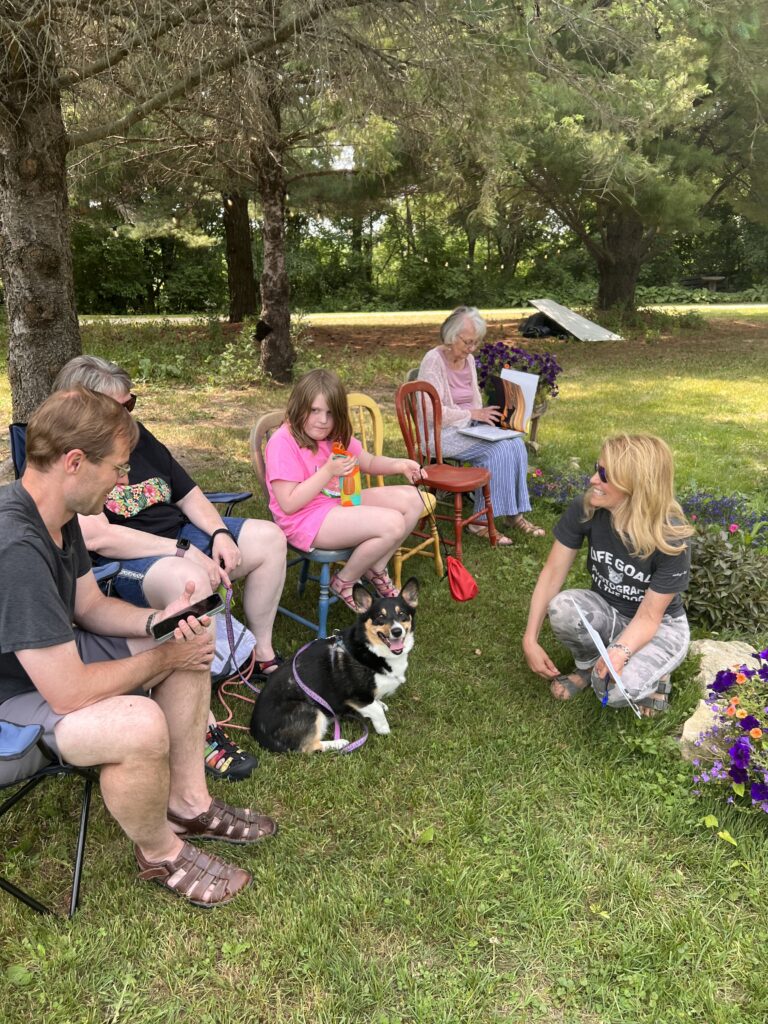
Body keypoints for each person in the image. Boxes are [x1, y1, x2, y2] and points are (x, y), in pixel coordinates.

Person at [0, 388, 276, 907]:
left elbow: (89, 606)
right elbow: (66, 691)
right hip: (10, 705)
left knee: (188, 636)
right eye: (119, 469)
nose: (126, 482)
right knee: (139, 724)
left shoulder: (58, 513)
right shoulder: (15, 545)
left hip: (47, 664)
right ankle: (160, 852)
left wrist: (161, 622)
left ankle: (189, 803)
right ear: (75, 462)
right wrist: (161, 657)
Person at [52, 355, 288, 782]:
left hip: (181, 537)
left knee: (270, 539)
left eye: (132, 404)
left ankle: (263, 657)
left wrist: (217, 533)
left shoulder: (139, 439)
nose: (129, 416)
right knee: (191, 584)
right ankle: (200, 726)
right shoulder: (78, 461)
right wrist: (182, 551)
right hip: (129, 559)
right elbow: (99, 537)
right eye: (118, 408)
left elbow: (188, 493)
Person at [522, 434, 693, 716]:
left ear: (636, 485)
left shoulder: (670, 537)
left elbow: (650, 617)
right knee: (563, 608)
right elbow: (552, 574)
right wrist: (530, 639)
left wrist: (621, 651)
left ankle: (657, 675)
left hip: (660, 626)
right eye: (596, 468)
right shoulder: (588, 507)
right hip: (609, 611)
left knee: (615, 691)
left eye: (604, 475)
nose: (592, 480)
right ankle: (590, 665)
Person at [265, 368, 425, 610]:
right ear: (299, 406)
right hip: (303, 519)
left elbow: (368, 462)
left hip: (336, 505)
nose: (322, 420)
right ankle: (344, 582)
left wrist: (400, 465)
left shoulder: (334, 435)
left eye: (330, 413)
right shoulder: (282, 442)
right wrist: (328, 472)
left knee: (414, 499)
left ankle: (375, 567)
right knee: (392, 523)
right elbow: (288, 503)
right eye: (315, 411)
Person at [417, 306, 544, 545]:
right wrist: (471, 414)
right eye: (468, 342)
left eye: (476, 342)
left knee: (515, 442)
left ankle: (514, 514)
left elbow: (475, 399)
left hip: (468, 426)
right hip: (439, 433)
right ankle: (480, 522)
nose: (472, 348)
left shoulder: (469, 360)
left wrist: (483, 418)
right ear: (451, 336)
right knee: (496, 450)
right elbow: (429, 412)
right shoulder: (433, 361)